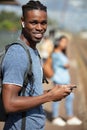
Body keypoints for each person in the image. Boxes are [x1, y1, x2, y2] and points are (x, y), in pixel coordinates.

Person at [2, 1, 74, 130]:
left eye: (43, 22)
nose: (40, 27)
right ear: (23, 22)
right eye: (34, 22)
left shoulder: (33, 51)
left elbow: (27, 93)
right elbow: (9, 103)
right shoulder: (18, 54)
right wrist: (49, 96)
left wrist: (52, 92)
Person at [51, 36, 82, 126]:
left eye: (66, 42)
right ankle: (55, 117)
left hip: (64, 80)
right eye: (63, 42)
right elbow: (66, 65)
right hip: (59, 80)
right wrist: (67, 63)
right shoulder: (56, 53)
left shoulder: (60, 53)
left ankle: (69, 117)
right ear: (58, 42)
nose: (65, 44)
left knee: (70, 97)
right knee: (57, 98)